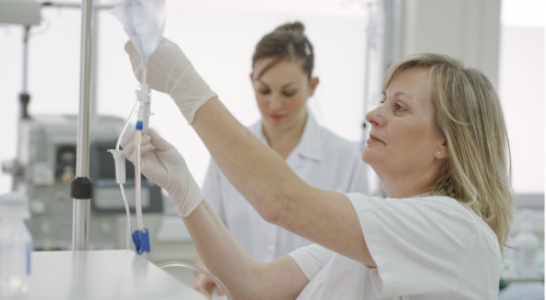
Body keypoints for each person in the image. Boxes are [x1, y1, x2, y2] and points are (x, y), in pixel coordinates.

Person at [121, 36, 513, 298]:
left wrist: (183, 83)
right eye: (382, 100)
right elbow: (253, 285)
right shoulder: (372, 232)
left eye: (399, 107)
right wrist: (182, 186)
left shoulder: (454, 228)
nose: (372, 115)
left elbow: (281, 202)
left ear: (446, 143)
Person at [192, 21, 370, 298]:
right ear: (252, 81)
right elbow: (210, 233)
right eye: (264, 91)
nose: (275, 104)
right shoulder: (227, 151)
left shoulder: (346, 159)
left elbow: (361, 251)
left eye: (288, 93)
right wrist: (205, 271)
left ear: (312, 86)